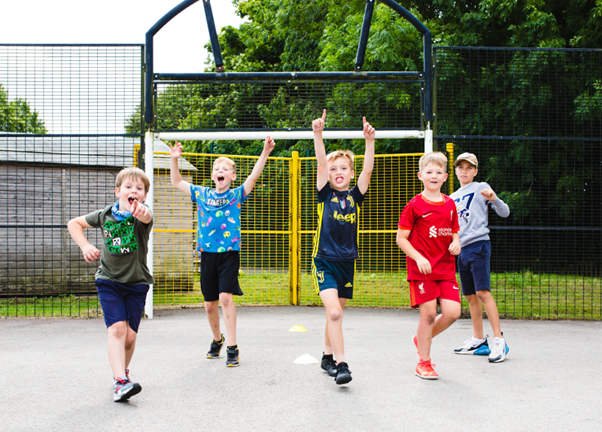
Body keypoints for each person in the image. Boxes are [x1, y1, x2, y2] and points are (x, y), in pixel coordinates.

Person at [169, 137, 275, 367]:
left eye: (225, 169)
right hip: (207, 254)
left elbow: (254, 176)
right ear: (212, 176)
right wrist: (174, 159)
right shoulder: (202, 194)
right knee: (210, 305)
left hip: (228, 253)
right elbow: (176, 181)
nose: (220, 170)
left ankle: (232, 348)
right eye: (217, 168)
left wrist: (265, 152)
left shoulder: (236, 195)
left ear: (232, 176)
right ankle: (218, 339)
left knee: (226, 298)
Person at [67, 167, 153, 402]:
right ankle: (120, 382)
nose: (133, 191)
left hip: (137, 283)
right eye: (128, 187)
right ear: (118, 191)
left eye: (139, 188)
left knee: (130, 338)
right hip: (109, 281)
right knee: (117, 330)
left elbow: (146, 217)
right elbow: (73, 223)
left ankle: (122, 374)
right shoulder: (105, 215)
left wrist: (141, 212)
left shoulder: (143, 216)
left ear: (144, 195)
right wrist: (85, 246)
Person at [312, 109, 375, 385]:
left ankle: (327, 356)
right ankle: (342, 364)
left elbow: (369, 169)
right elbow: (321, 163)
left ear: (351, 173)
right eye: (333, 168)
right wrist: (318, 134)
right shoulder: (324, 194)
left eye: (343, 168)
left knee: (335, 312)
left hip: (347, 261)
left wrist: (369, 141)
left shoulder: (355, 196)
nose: (337, 172)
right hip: (324, 260)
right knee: (335, 312)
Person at [396, 152, 462, 380]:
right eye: (429, 172)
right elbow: (401, 239)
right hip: (422, 269)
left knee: (453, 313)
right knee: (430, 314)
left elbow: (454, 232)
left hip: (445, 268)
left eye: (438, 172)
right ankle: (424, 363)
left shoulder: (450, 204)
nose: (434, 176)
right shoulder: (414, 205)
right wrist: (419, 257)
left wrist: (456, 243)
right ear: (420, 175)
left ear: (445, 177)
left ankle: (421, 337)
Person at [451, 152, 510, 363]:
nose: (464, 171)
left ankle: (499, 340)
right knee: (470, 296)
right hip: (462, 250)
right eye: (461, 167)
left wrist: (495, 199)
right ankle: (478, 339)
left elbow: (504, 212)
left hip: (479, 245)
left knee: (483, 292)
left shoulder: (481, 187)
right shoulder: (451, 197)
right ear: (455, 170)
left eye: (469, 167)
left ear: (475, 171)